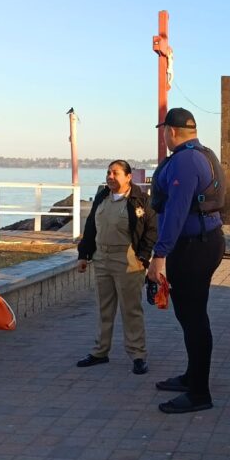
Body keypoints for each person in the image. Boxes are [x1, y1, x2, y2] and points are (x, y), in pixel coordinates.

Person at [147, 108, 226, 414]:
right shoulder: (199, 154)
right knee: (190, 316)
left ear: (171, 131)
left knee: (193, 319)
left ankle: (199, 393)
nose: (163, 135)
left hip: (193, 247)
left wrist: (160, 255)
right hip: (202, 242)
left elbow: (177, 210)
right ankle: (193, 376)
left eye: (164, 130)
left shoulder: (184, 160)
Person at [75, 160, 158, 374]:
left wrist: (143, 258)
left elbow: (151, 230)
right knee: (104, 308)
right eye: (108, 172)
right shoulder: (102, 196)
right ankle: (100, 352)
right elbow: (91, 226)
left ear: (128, 177)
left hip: (128, 260)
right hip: (101, 258)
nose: (110, 176)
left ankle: (138, 355)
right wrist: (83, 254)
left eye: (116, 173)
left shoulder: (140, 200)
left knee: (130, 310)